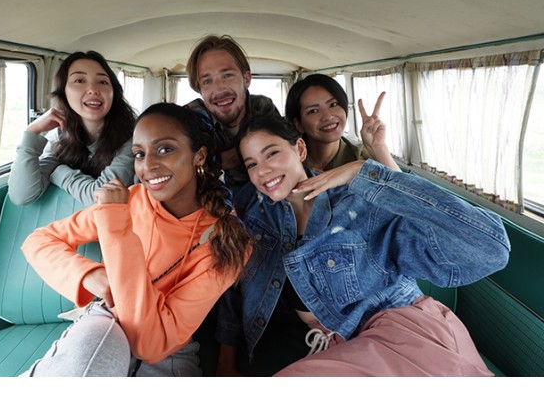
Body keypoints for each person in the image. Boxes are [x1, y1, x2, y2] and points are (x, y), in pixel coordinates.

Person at [216, 114, 511, 377]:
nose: (262, 171)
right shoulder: (255, 215)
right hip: (344, 344)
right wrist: (225, 363)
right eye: (251, 164)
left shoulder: (359, 205)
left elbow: (491, 249)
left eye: (272, 154)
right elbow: (233, 285)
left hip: (405, 330)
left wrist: (365, 172)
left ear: (300, 149)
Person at [20, 102, 252, 377]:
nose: (148, 166)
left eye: (165, 149)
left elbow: (149, 344)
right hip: (107, 320)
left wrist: (116, 226)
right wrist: (88, 275)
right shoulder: (131, 200)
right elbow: (39, 240)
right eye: (139, 154)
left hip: (167, 348)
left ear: (198, 156)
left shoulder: (229, 240)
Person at [8, 50, 137, 206]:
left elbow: (101, 197)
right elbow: (21, 196)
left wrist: (58, 172)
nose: (93, 89)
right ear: (63, 92)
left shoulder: (134, 138)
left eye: (102, 82)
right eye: (79, 80)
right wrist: (32, 132)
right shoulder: (59, 135)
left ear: (113, 92)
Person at [184, 34, 281, 190]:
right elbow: (179, 167)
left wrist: (215, 161)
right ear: (200, 90)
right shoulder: (191, 117)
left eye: (227, 75)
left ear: (246, 79)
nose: (219, 89)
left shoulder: (262, 108)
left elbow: (284, 156)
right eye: (207, 81)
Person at [285, 73, 400, 173]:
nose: (328, 116)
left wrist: (378, 147)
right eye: (313, 111)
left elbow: (408, 190)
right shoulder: (288, 159)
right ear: (299, 124)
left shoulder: (362, 157)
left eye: (333, 104)